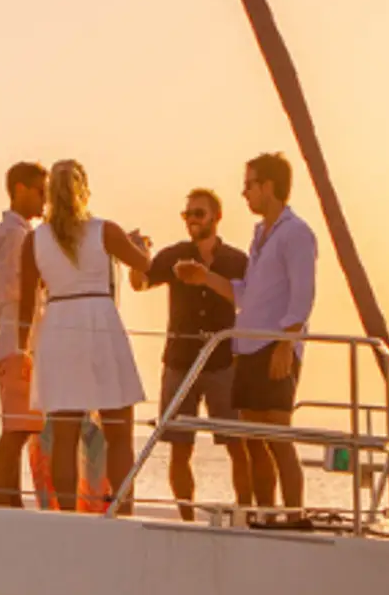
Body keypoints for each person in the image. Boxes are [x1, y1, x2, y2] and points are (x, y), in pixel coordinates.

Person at [176, 152, 317, 521]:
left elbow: (303, 294)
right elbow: (247, 294)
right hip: (248, 345)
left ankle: (295, 517)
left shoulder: (296, 233)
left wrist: (286, 345)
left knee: (278, 438)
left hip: (275, 345)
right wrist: (204, 277)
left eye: (249, 185)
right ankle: (266, 516)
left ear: (268, 186)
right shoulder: (260, 235)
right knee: (253, 441)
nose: (244, 193)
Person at [17, 159, 151, 513]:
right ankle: (122, 511)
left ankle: (69, 516)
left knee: (65, 434)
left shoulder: (35, 240)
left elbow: (28, 301)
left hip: (60, 325)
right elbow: (145, 267)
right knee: (119, 431)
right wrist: (142, 246)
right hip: (100, 322)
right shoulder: (105, 231)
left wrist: (21, 350)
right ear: (84, 190)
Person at [130, 188, 252, 520]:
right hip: (180, 360)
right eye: (188, 215)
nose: (192, 220)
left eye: (199, 213)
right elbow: (140, 283)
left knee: (237, 444)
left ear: (216, 217)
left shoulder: (237, 261)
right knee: (180, 446)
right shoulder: (172, 256)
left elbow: (252, 302)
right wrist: (135, 254)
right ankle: (186, 518)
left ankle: (246, 515)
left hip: (223, 362)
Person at [0, 161, 48, 508]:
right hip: (21, 343)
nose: (45, 199)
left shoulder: (3, 234)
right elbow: (19, 291)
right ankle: (7, 503)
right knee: (16, 431)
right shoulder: (16, 236)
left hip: (13, 338)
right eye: (39, 191)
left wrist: (7, 326)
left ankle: (8, 502)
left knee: (18, 429)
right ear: (19, 189)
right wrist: (20, 336)